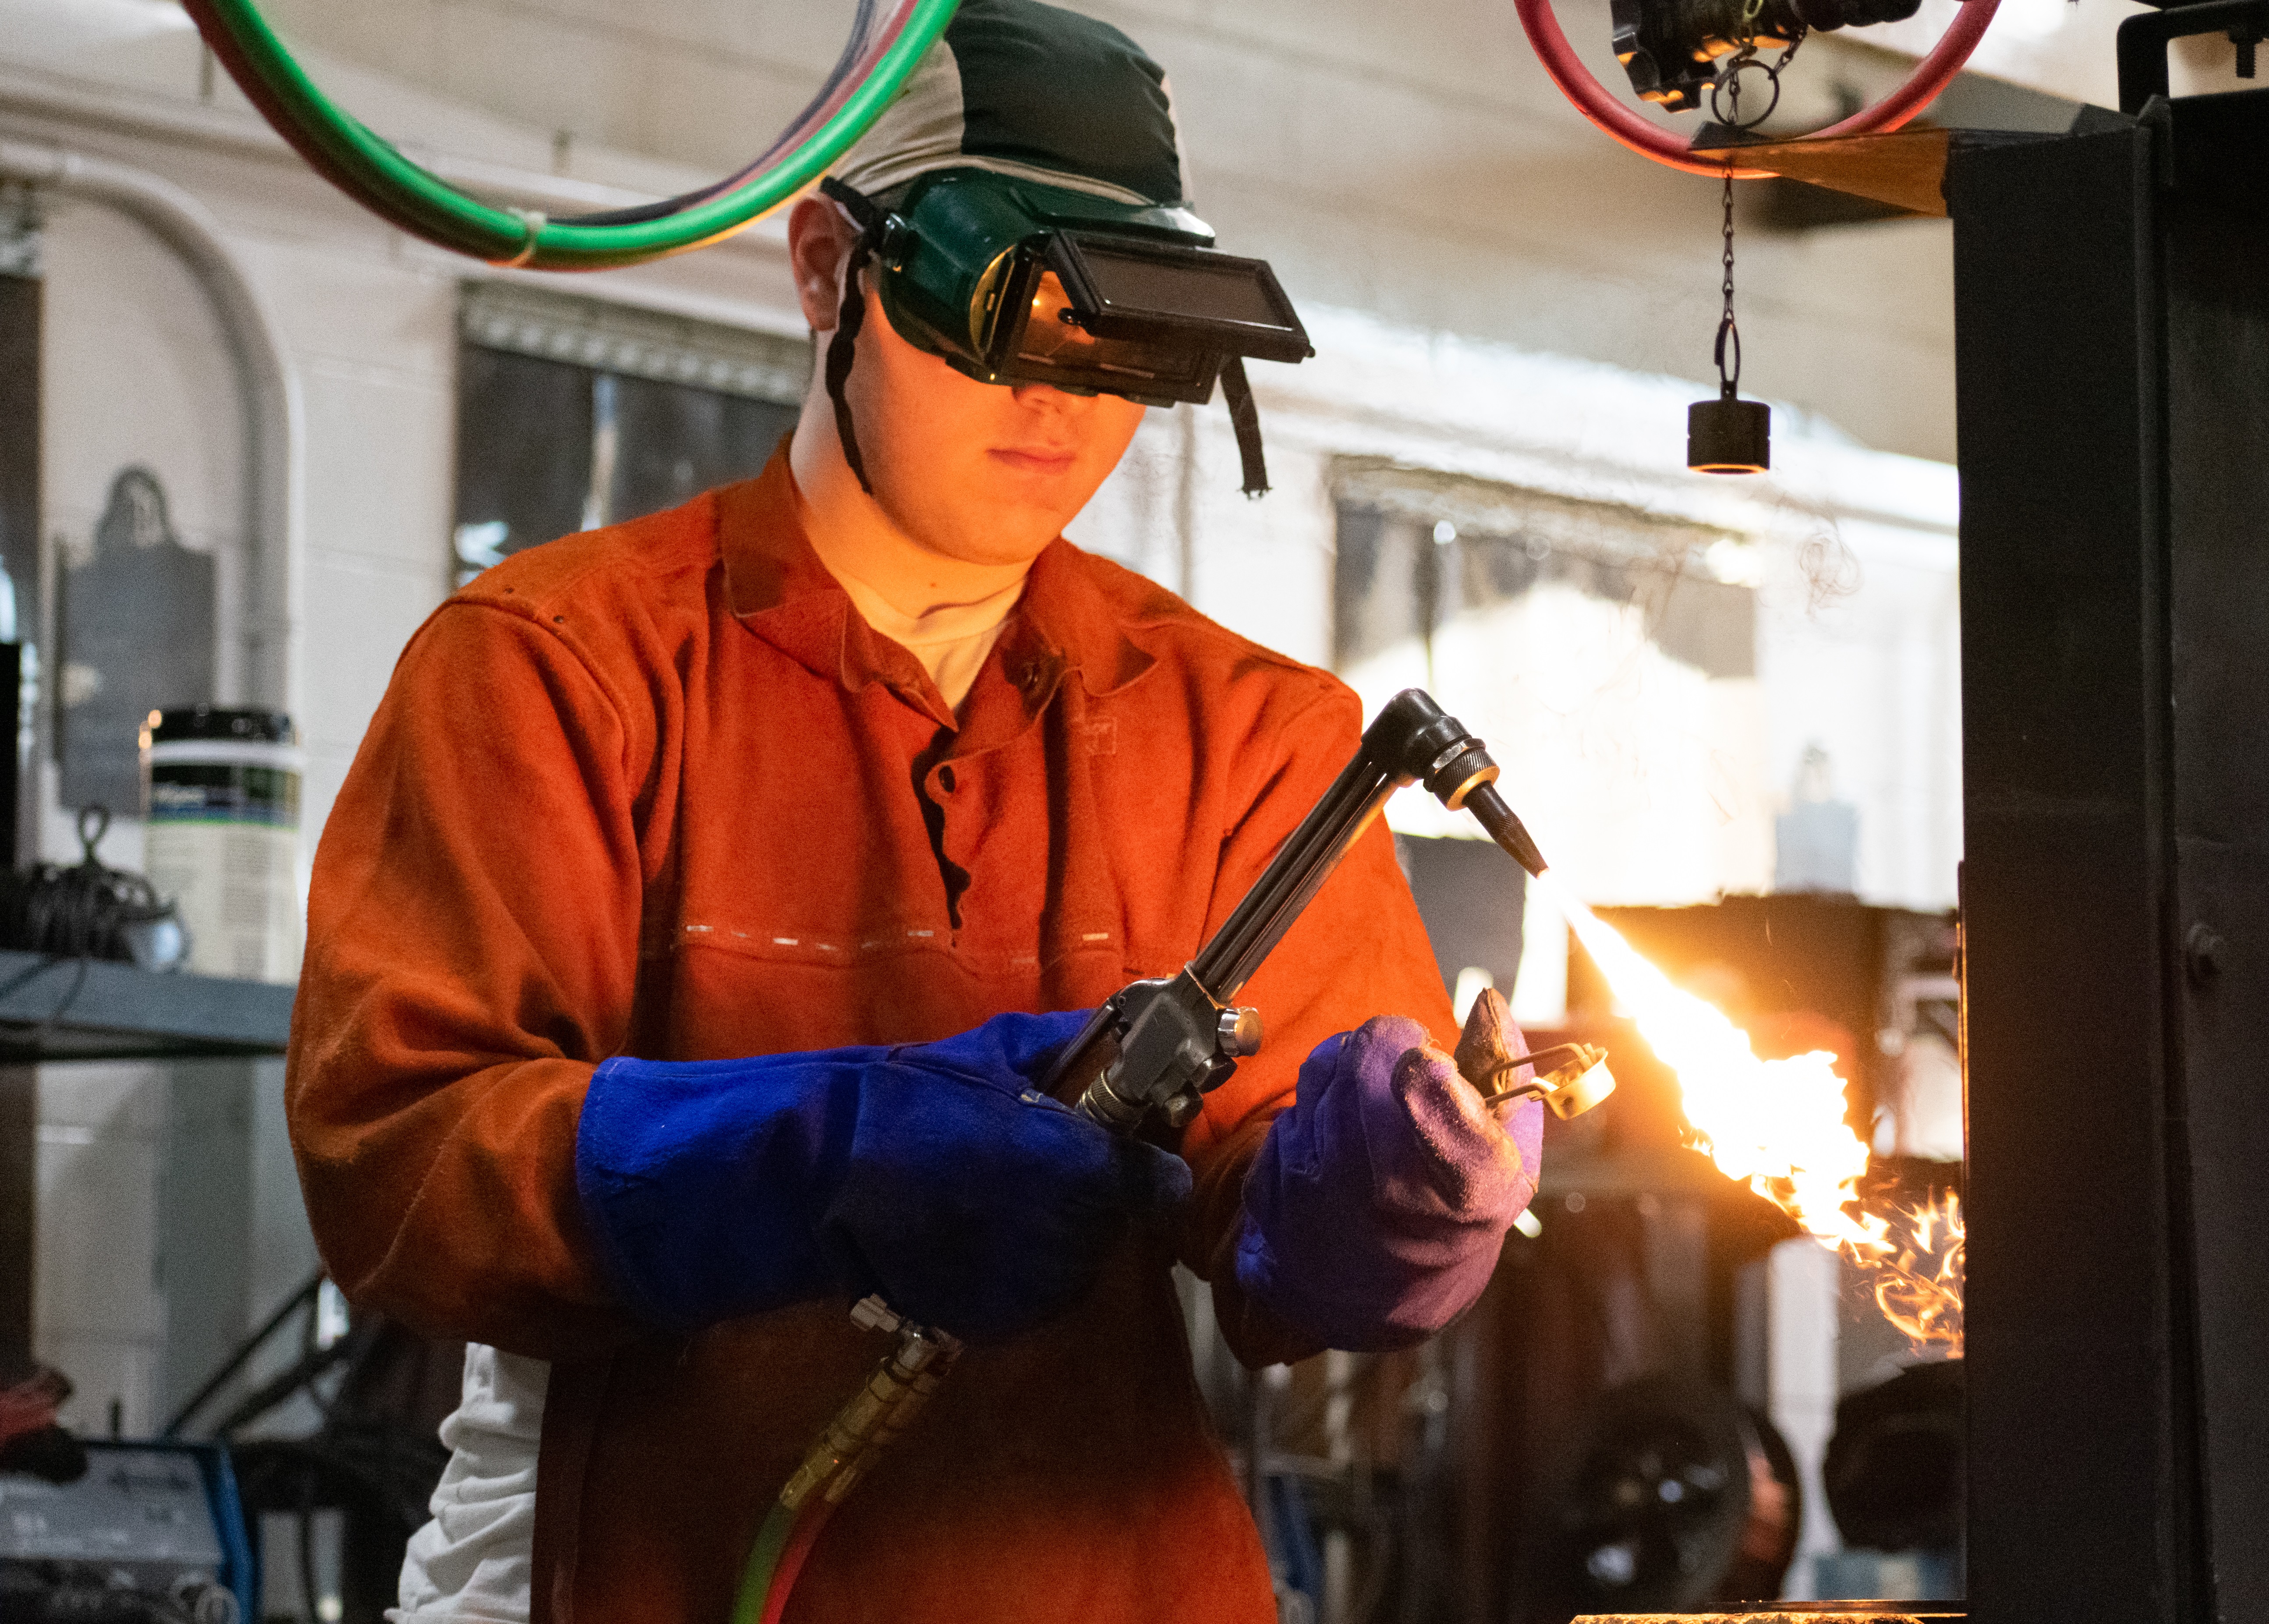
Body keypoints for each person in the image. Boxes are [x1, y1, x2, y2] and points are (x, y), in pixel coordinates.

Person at [287, 4, 1543, 1620]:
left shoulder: (1251, 731)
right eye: (1002, 314)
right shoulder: (561, 668)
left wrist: (1394, 1199)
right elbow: (403, 1155)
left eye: (1120, 340)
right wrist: (818, 1158)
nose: (1061, 402)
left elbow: (1277, 1245)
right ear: (832, 274)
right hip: (646, 1563)